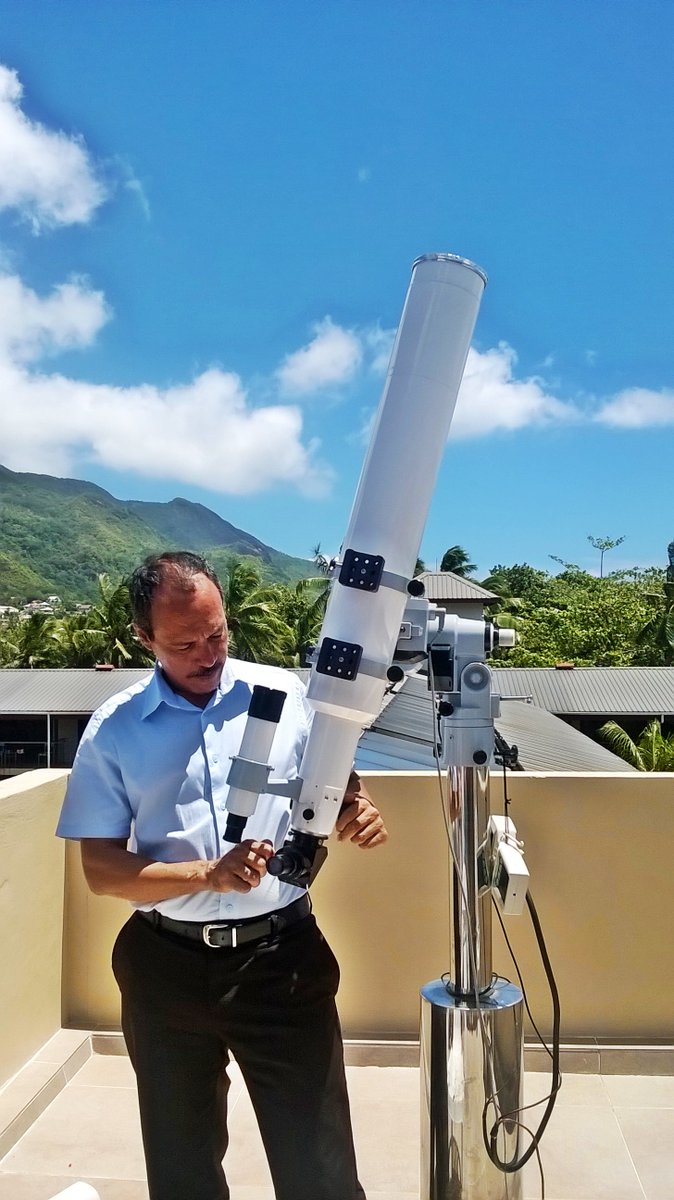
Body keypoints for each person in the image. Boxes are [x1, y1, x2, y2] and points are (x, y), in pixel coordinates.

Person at [56, 550, 388, 1200]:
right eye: (185, 644)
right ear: (144, 638)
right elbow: (101, 869)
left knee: (320, 1171)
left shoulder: (286, 697)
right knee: (182, 1171)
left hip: (282, 962)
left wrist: (358, 809)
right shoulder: (115, 730)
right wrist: (207, 873)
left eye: (217, 634)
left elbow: (338, 782)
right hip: (165, 970)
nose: (208, 655)